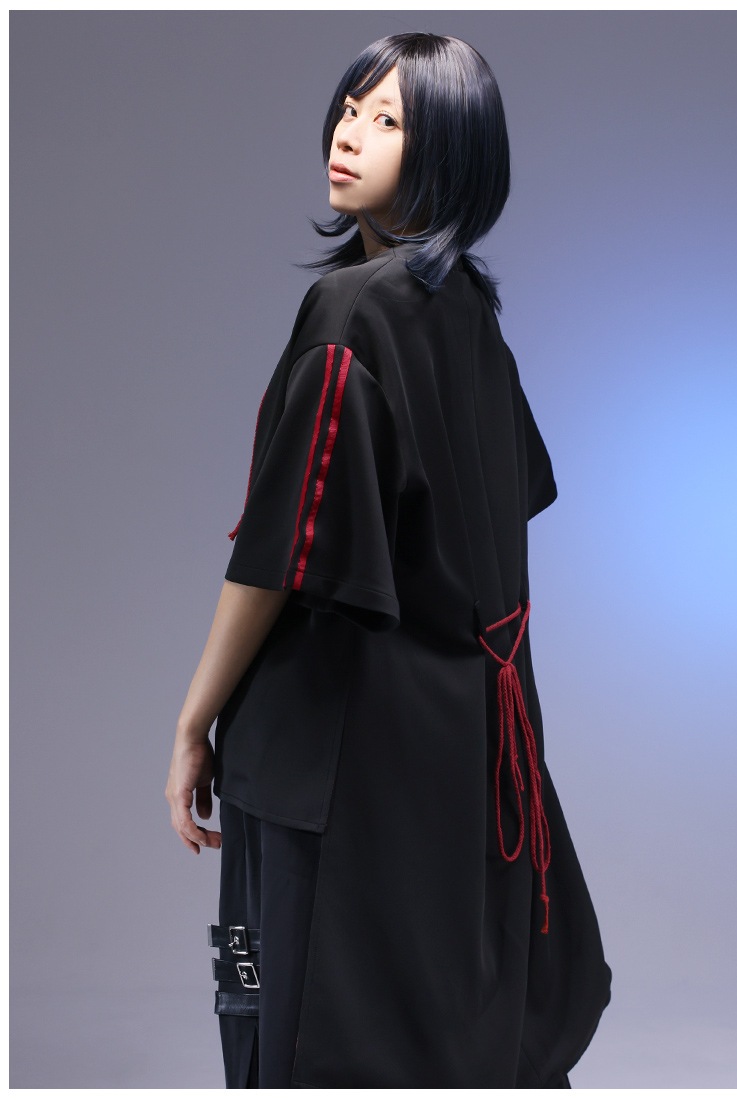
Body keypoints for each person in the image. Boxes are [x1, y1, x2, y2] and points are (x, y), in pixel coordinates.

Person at [165, 31, 612, 1088]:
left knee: (273, 1001)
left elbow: (275, 555)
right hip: (460, 751)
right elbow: (496, 532)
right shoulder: (473, 317)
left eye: (389, 119)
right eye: (349, 108)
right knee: (434, 1022)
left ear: (448, 150)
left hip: (323, 753)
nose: (348, 134)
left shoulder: (348, 312)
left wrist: (192, 723)